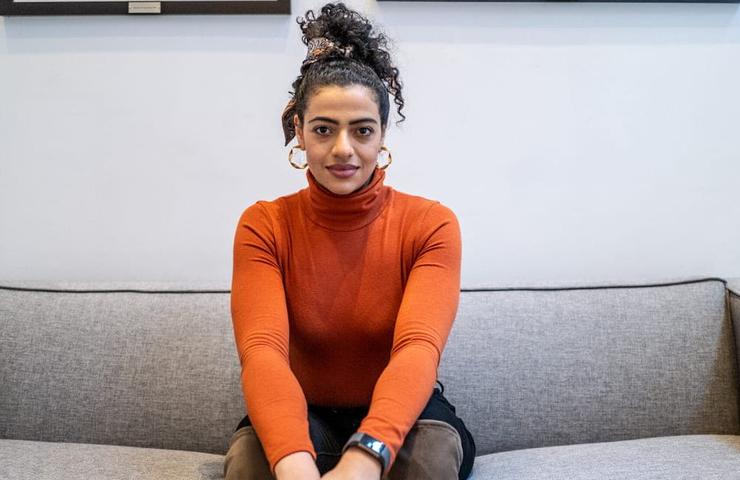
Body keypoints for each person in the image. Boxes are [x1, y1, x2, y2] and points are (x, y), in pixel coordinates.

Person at [224, 3, 475, 479]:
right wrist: (294, 462)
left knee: (430, 461)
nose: (343, 149)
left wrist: (365, 457)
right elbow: (262, 351)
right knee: (250, 465)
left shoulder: (431, 224)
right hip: (304, 410)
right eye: (323, 129)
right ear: (298, 131)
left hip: (408, 412)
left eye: (362, 130)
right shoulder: (264, 225)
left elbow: (418, 347)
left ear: (382, 136)